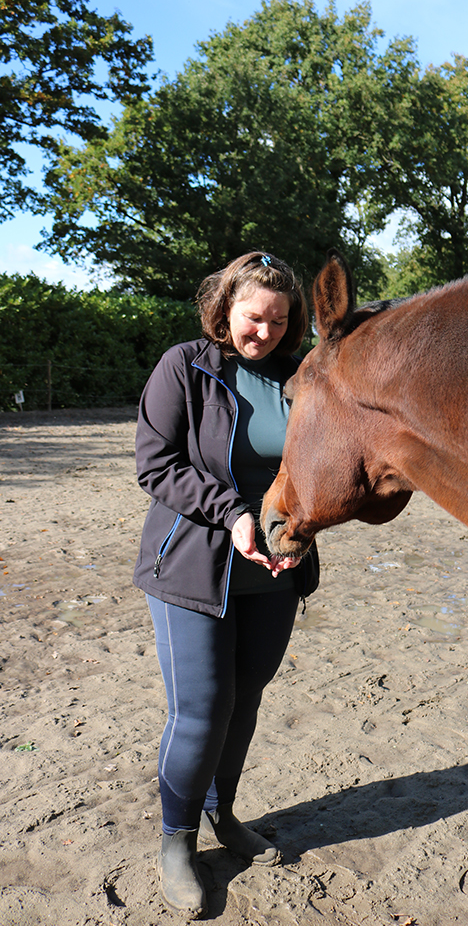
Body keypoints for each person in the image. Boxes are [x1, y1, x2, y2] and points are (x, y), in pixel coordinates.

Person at [132, 252, 319, 917]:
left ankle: (223, 813)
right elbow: (157, 465)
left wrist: (306, 516)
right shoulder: (184, 366)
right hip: (191, 565)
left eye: (277, 320)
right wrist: (232, 513)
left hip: (274, 569)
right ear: (225, 310)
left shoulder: (298, 375)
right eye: (251, 317)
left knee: (245, 699)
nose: (262, 331)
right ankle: (176, 841)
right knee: (202, 708)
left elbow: (316, 460)